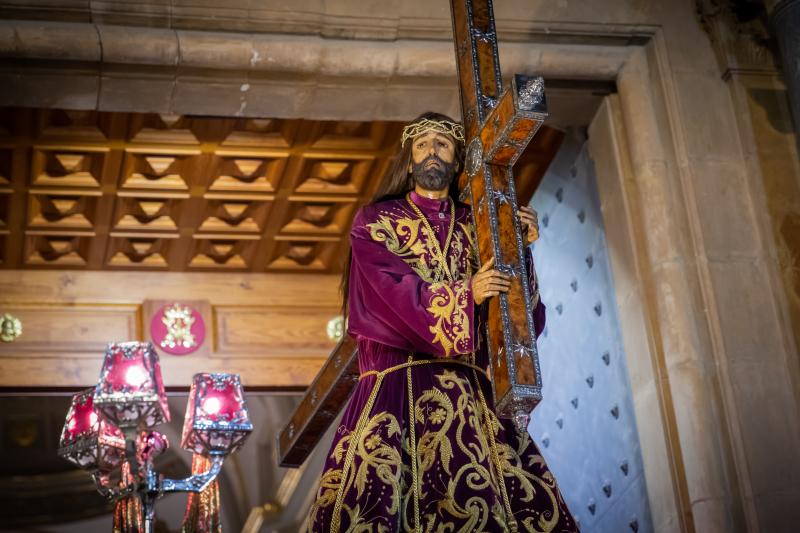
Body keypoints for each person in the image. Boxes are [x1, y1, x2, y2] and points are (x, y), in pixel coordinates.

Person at [306, 112, 579, 533]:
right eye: (422, 145)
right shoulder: (375, 222)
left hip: (473, 399)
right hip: (395, 395)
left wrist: (517, 250)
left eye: (443, 144)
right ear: (409, 160)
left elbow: (521, 325)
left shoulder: (480, 225)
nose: (432, 151)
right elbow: (389, 296)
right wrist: (466, 293)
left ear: (456, 162)